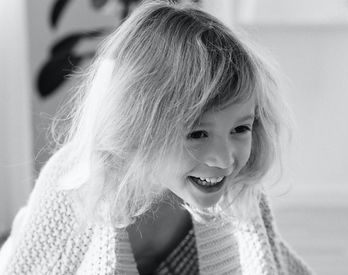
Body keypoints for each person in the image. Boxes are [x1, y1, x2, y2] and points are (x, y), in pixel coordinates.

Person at [0, 1, 313, 274]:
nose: (225, 158)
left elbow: (273, 263)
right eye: (197, 133)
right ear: (139, 128)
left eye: (240, 129)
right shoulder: (75, 186)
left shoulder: (236, 191)